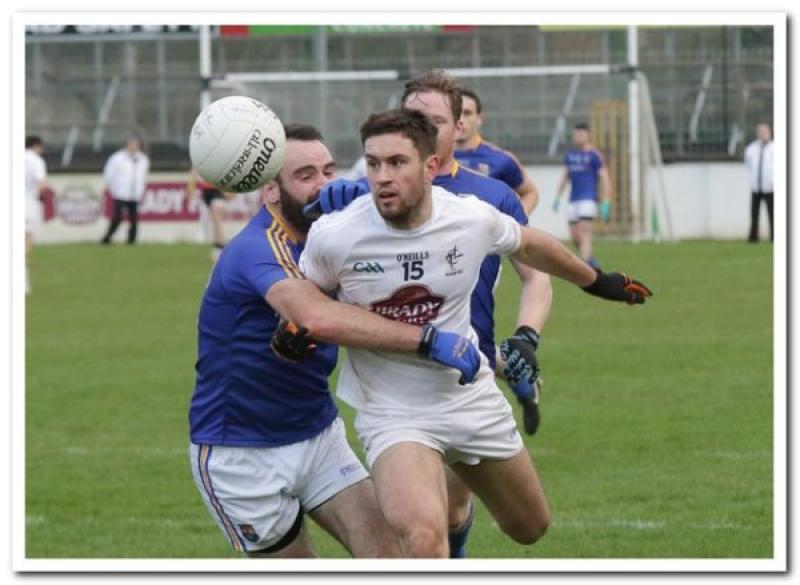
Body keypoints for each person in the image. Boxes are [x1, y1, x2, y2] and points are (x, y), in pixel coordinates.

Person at [297, 108, 652, 558]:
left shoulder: (469, 217)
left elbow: (530, 243)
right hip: (393, 412)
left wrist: (595, 281)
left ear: (430, 167)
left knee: (530, 526)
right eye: (373, 163)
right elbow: (307, 301)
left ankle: (462, 512)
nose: (382, 177)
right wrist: (294, 333)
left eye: (397, 163)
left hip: (469, 396)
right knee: (424, 539)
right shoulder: (336, 235)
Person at [188, 123, 481, 559]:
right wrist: (427, 340)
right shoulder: (255, 249)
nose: (324, 185)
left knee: (390, 557)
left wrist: (367, 200)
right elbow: (313, 316)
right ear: (270, 190)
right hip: (242, 452)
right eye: (305, 176)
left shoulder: (334, 238)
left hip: (319, 434)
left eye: (329, 171)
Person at [303, 69, 554, 558]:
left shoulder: (492, 195)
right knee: (424, 530)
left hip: (468, 370)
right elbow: (318, 267)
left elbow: (538, 274)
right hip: (399, 387)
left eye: (435, 119)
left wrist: (527, 335)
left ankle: (520, 381)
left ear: (459, 126)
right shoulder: (372, 189)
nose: (424, 125)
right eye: (414, 116)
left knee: (462, 512)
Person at [454, 88, 540, 214]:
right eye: (456, 113)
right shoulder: (434, 157)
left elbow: (530, 193)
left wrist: (512, 224)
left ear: (479, 118)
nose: (460, 120)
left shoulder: (500, 159)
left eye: (467, 113)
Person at [553, 123, 612, 269]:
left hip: (588, 200)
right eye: (576, 134)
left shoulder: (594, 155)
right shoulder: (570, 156)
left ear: (588, 135)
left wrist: (606, 201)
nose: (578, 137)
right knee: (575, 236)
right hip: (573, 200)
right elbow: (565, 177)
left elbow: (605, 179)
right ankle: (589, 259)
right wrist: (558, 198)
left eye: (581, 134)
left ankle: (584, 267)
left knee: (585, 232)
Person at [100, 135, 150, 245]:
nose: (134, 147)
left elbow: (143, 176)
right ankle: (108, 237)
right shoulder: (117, 158)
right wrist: (112, 188)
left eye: (136, 144)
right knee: (117, 217)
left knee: (134, 219)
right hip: (121, 193)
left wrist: (141, 191)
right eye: (132, 144)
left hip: (135, 194)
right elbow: (109, 174)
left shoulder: (143, 159)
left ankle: (132, 240)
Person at [185, 168, 235, 263]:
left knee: (217, 218)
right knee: (209, 221)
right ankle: (217, 248)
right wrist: (190, 187)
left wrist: (229, 191)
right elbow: (194, 172)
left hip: (217, 190)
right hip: (206, 191)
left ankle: (219, 249)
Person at [25, 135, 49, 295]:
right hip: (27, 205)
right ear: (38, 146)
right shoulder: (36, 161)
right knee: (25, 244)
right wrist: (42, 197)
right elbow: (41, 183)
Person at [744, 122, 774, 243]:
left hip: (771, 187)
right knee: (754, 214)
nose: (763, 134)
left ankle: (775, 237)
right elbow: (748, 164)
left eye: (765, 132)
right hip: (756, 186)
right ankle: (753, 237)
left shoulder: (775, 148)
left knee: (773, 214)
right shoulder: (751, 149)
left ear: (769, 132)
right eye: (761, 132)